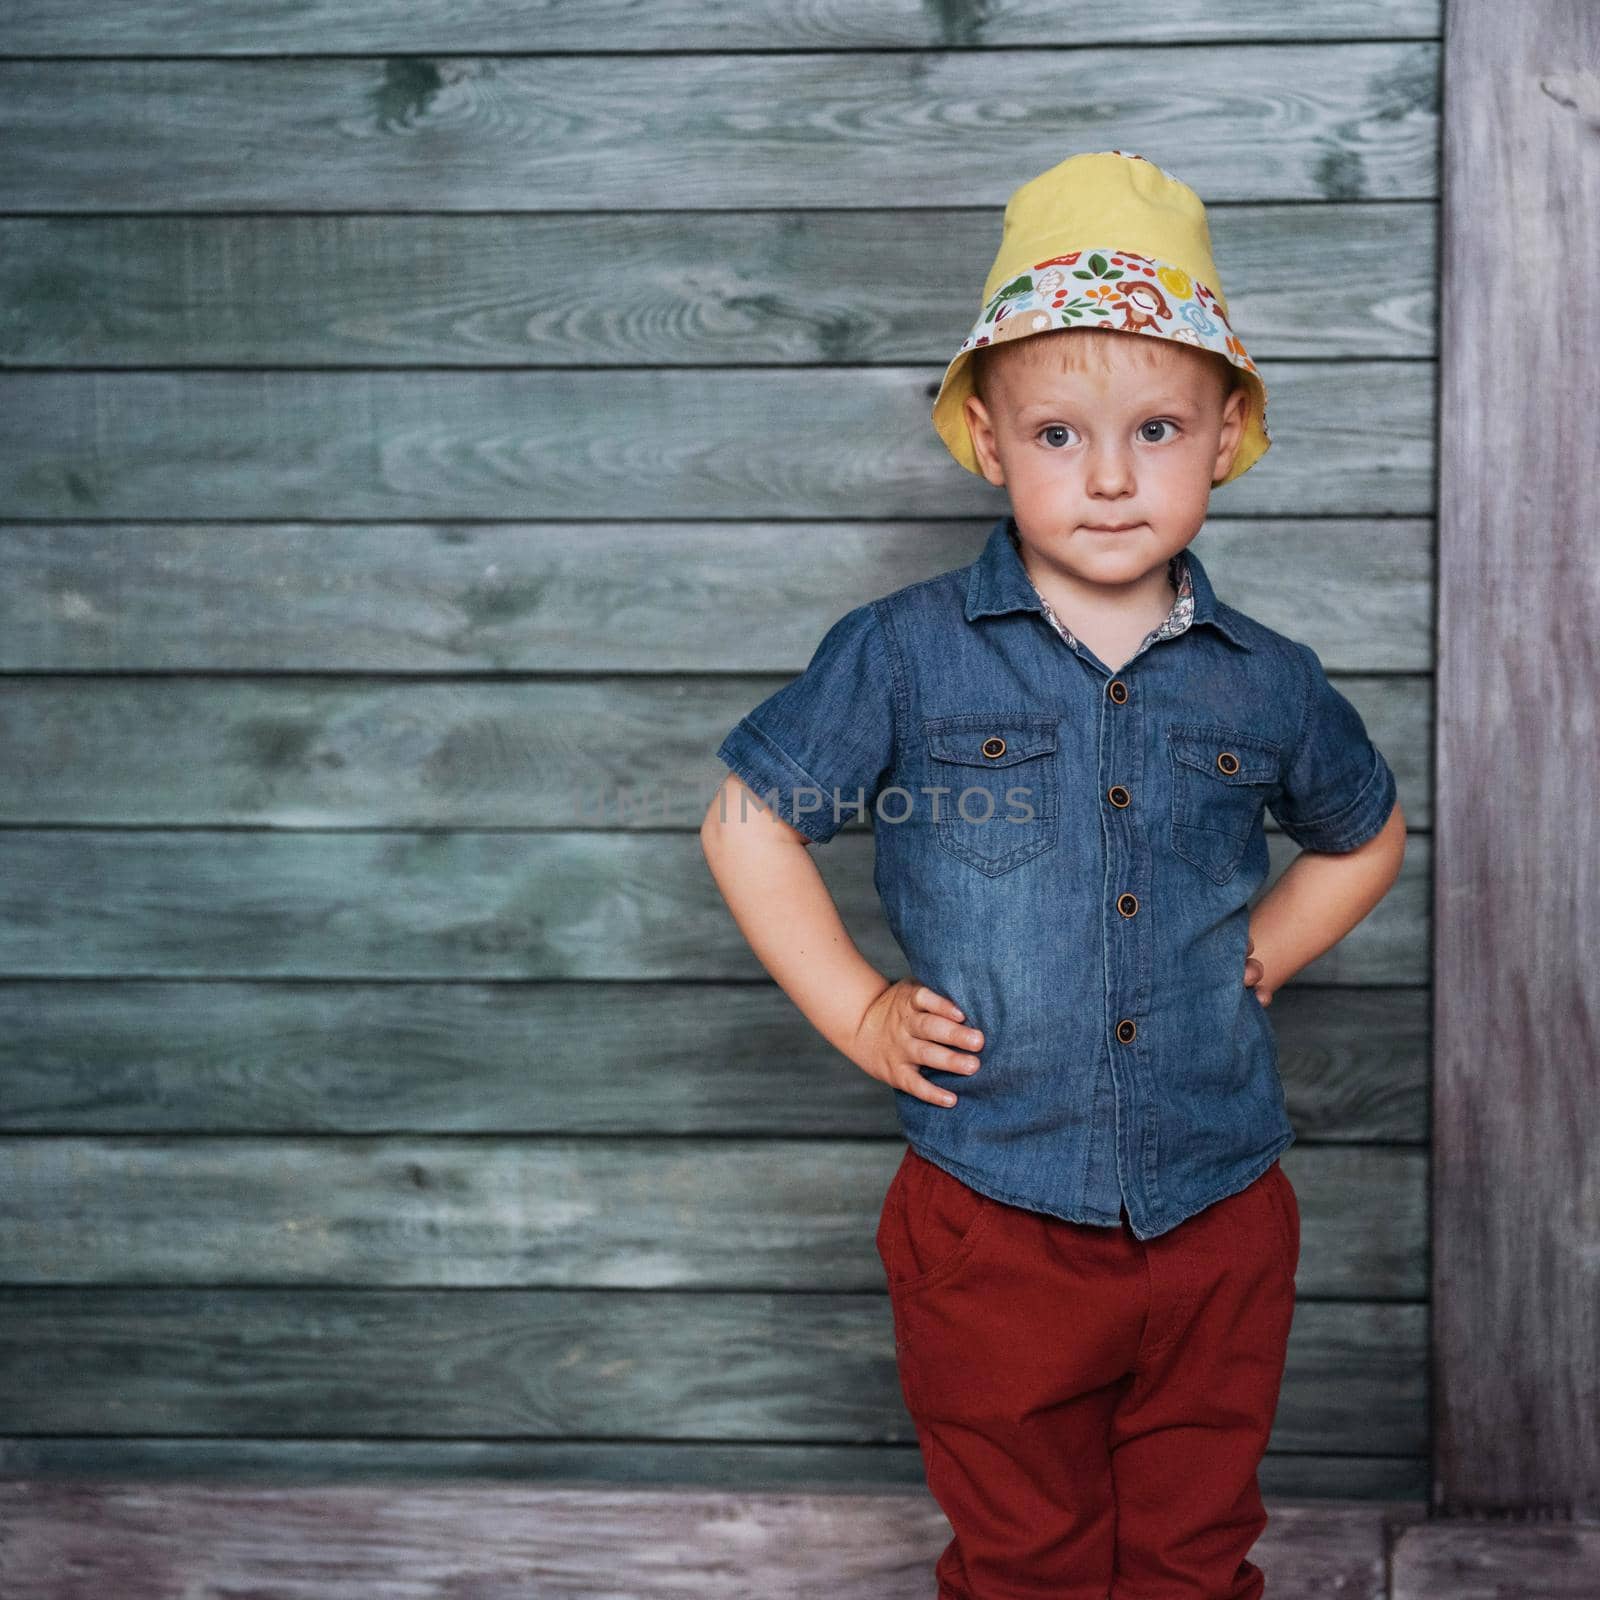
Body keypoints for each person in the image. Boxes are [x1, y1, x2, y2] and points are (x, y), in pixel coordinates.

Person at [699, 149, 1405, 1599]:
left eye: (1155, 427)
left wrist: (1262, 948)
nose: (1106, 476)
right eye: (1058, 434)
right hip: (995, 1210)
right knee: (1027, 1550)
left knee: (1194, 1548)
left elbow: (1366, 830)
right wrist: (858, 1011)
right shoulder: (907, 653)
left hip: (1217, 1207)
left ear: (1225, 439)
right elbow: (748, 822)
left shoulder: (1268, 682)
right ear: (986, 441)